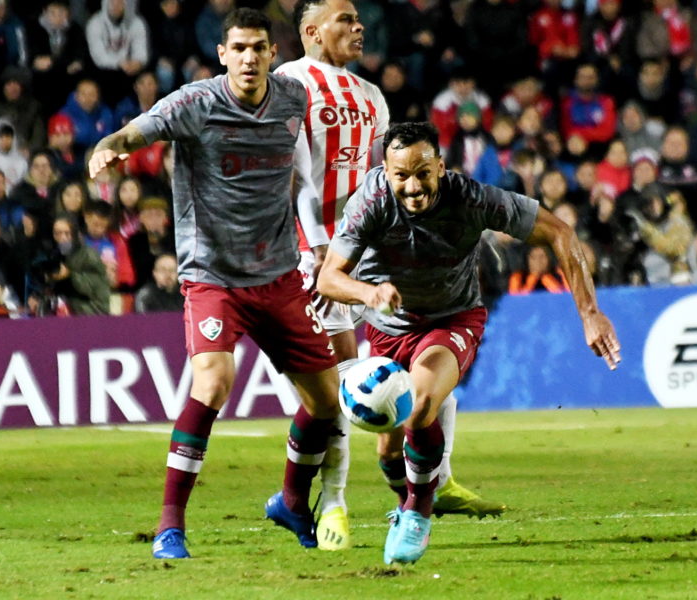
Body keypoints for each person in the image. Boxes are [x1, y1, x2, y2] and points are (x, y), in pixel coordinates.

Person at [88, 7, 341, 560]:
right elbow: (140, 128)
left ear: (274, 55)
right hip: (214, 278)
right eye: (239, 49)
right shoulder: (195, 102)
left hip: (279, 275)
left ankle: (293, 501)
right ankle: (169, 525)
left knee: (327, 402)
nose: (249, 58)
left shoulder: (294, 100)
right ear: (222, 54)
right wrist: (112, 146)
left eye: (259, 48)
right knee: (213, 382)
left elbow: (309, 165)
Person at [317, 122, 621, 565]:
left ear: (441, 166)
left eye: (423, 172)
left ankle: (417, 514)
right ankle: (416, 497)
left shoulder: (473, 198)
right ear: (385, 170)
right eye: (401, 175)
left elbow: (560, 233)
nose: (414, 186)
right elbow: (329, 277)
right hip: (387, 326)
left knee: (419, 405)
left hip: (452, 319)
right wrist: (370, 293)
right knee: (387, 449)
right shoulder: (371, 201)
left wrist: (589, 312)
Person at [276, 0, 504, 552]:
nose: (358, 27)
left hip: (380, 257)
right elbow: (294, 173)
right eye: (343, 20)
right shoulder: (291, 81)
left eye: (359, 19)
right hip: (321, 256)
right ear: (311, 31)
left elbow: (390, 182)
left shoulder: (372, 96)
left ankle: (439, 480)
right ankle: (333, 503)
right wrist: (319, 248)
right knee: (337, 386)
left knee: (426, 353)